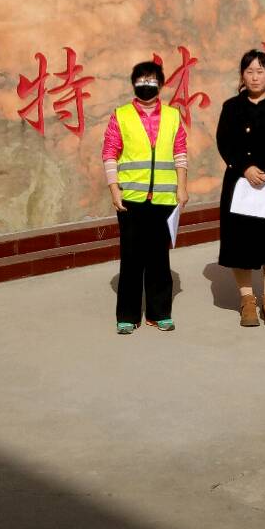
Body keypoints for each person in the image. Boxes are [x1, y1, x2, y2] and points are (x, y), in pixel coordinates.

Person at [102, 60, 188, 334]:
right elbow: (109, 153)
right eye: (141, 81)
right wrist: (114, 189)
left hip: (163, 197)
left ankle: (159, 312)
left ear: (160, 84)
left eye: (151, 81)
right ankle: (127, 315)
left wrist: (182, 187)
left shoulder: (173, 116)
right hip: (131, 198)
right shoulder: (121, 115)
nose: (146, 85)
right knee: (131, 258)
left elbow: (180, 152)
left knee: (159, 258)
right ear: (134, 84)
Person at [215, 49, 265, 327]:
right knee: (241, 243)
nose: (254, 77)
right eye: (249, 71)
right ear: (242, 75)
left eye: (260, 71)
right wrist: (245, 168)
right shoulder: (231, 107)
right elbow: (224, 142)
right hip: (240, 184)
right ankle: (247, 300)